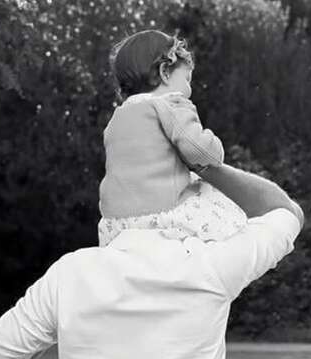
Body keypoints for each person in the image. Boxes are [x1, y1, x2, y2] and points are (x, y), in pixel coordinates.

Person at [0, 164, 304, 359]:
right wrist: (206, 164)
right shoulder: (209, 267)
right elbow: (287, 213)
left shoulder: (71, 275)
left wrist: (56, 329)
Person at [98, 29, 247, 246]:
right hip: (159, 216)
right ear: (165, 72)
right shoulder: (168, 103)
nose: (189, 90)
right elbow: (199, 150)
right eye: (187, 79)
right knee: (215, 196)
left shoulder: (117, 119)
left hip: (114, 225)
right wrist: (215, 146)